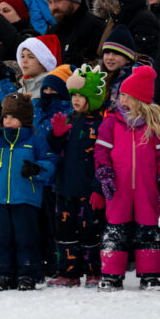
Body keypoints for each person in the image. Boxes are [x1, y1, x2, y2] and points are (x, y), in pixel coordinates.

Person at [94, 65, 160, 291]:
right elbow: (101, 152)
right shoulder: (111, 123)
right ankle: (111, 275)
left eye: (127, 96)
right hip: (118, 187)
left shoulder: (155, 126)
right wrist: (104, 173)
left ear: (141, 100)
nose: (122, 100)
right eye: (121, 95)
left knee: (148, 229)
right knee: (115, 230)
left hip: (146, 188)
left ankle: (150, 275)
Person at [0, 93, 56, 291]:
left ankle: (27, 274)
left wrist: (36, 169)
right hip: (0, 197)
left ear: (24, 119)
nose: (8, 121)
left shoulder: (34, 139)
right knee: (3, 238)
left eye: (13, 117)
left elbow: (50, 163)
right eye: (6, 117)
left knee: (25, 238)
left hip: (25, 198)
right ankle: (3, 274)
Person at [45, 65, 108, 287]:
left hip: (87, 190)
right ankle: (68, 273)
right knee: (65, 233)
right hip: (64, 187)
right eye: (73, 96)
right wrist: (56, 135)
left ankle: (94, 272)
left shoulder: (101, 125)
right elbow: (55, 149)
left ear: (93, 98)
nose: (76, 100)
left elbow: (105, 161)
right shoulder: (68, 119)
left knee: (91, 232)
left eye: (81, 96)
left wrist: (98, 188)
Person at [43, 0, 105, 66]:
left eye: (58, 0)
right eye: (50, 2)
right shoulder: (52, 32)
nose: (53, 7)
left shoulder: (95, 26)